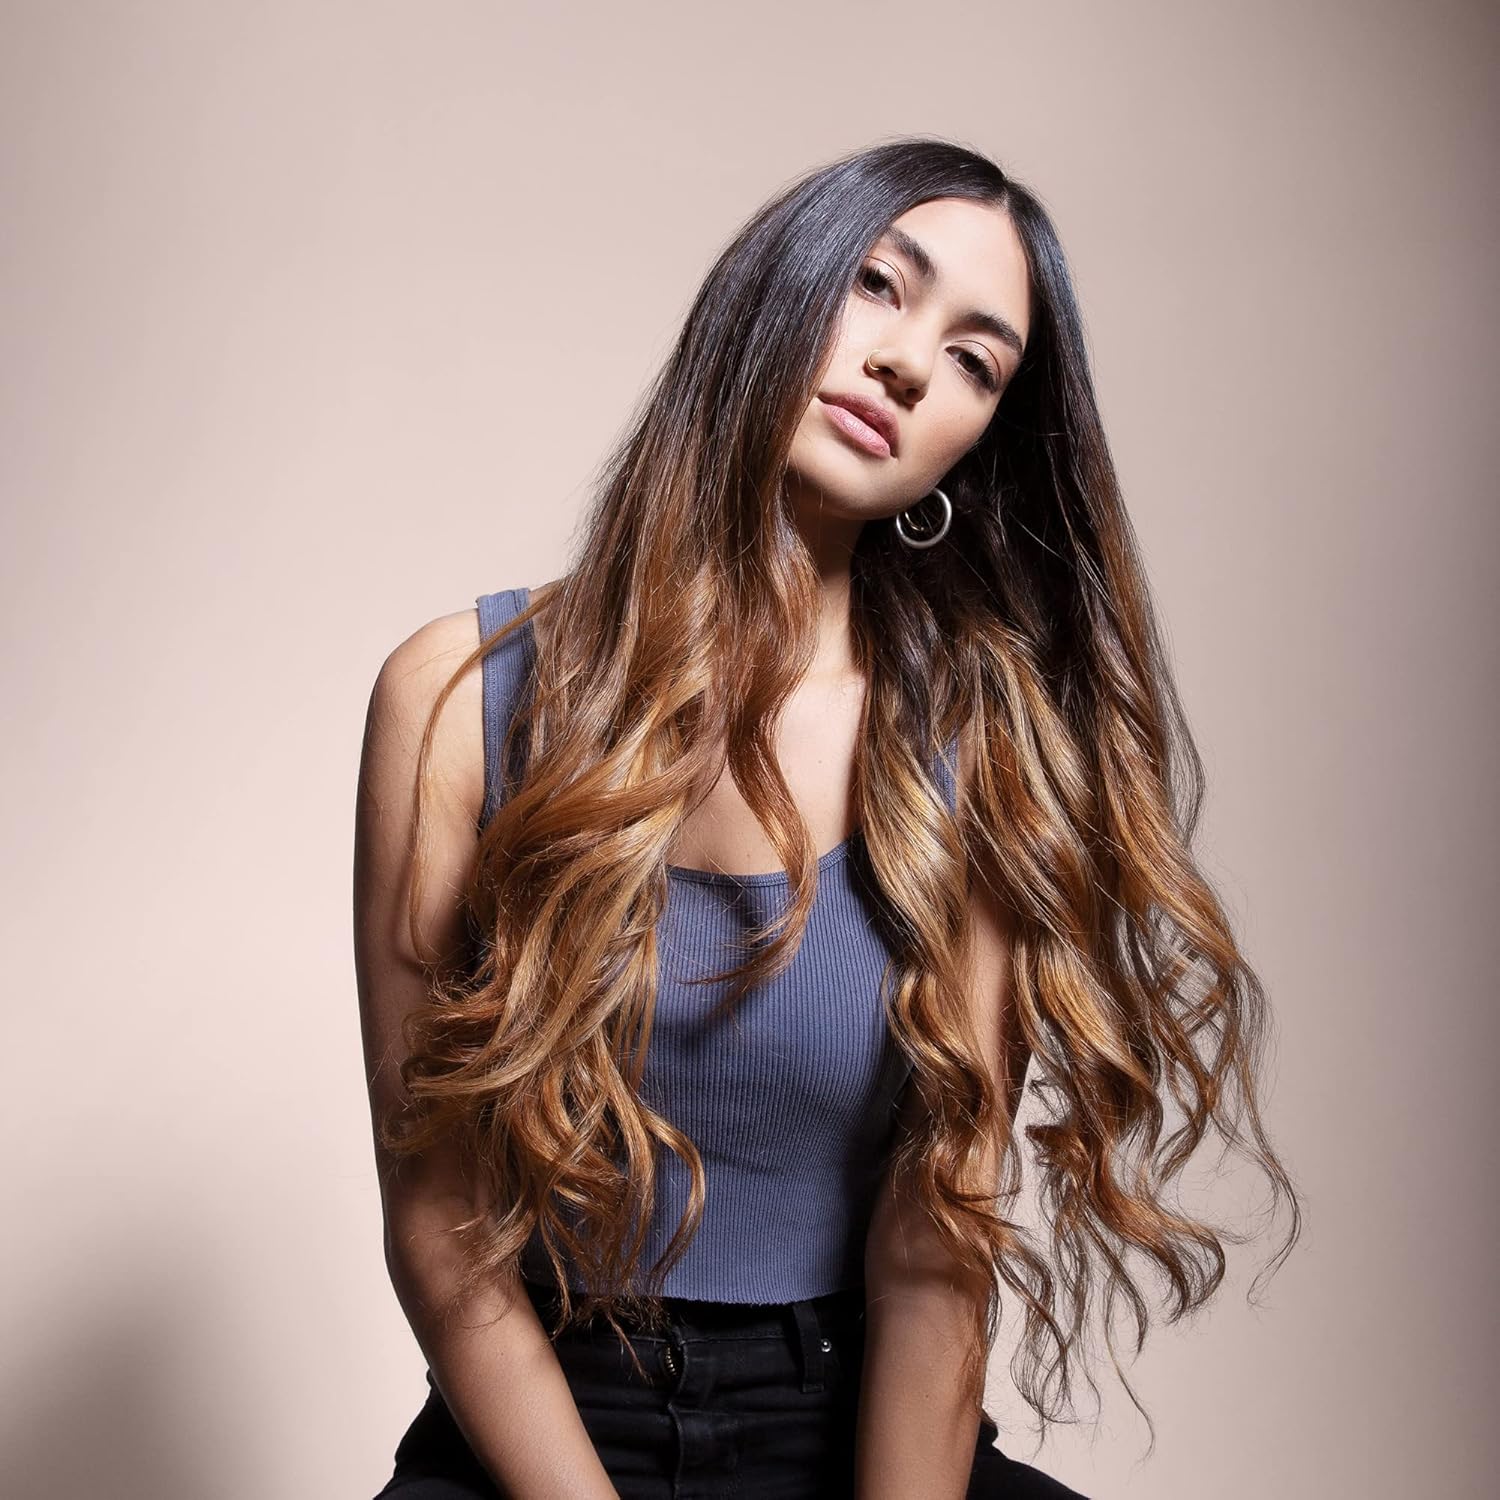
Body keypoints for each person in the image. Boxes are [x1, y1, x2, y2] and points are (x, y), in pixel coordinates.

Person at [353, 136, 1301, 1500]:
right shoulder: (456, 700)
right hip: (541, 1431)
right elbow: (440, 1227)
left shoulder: (978, 754)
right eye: (877, 283)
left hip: (862, 1435)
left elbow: (935, 1262)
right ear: (772, 292)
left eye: (977, 361)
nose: (912, 363)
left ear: (976, 445)